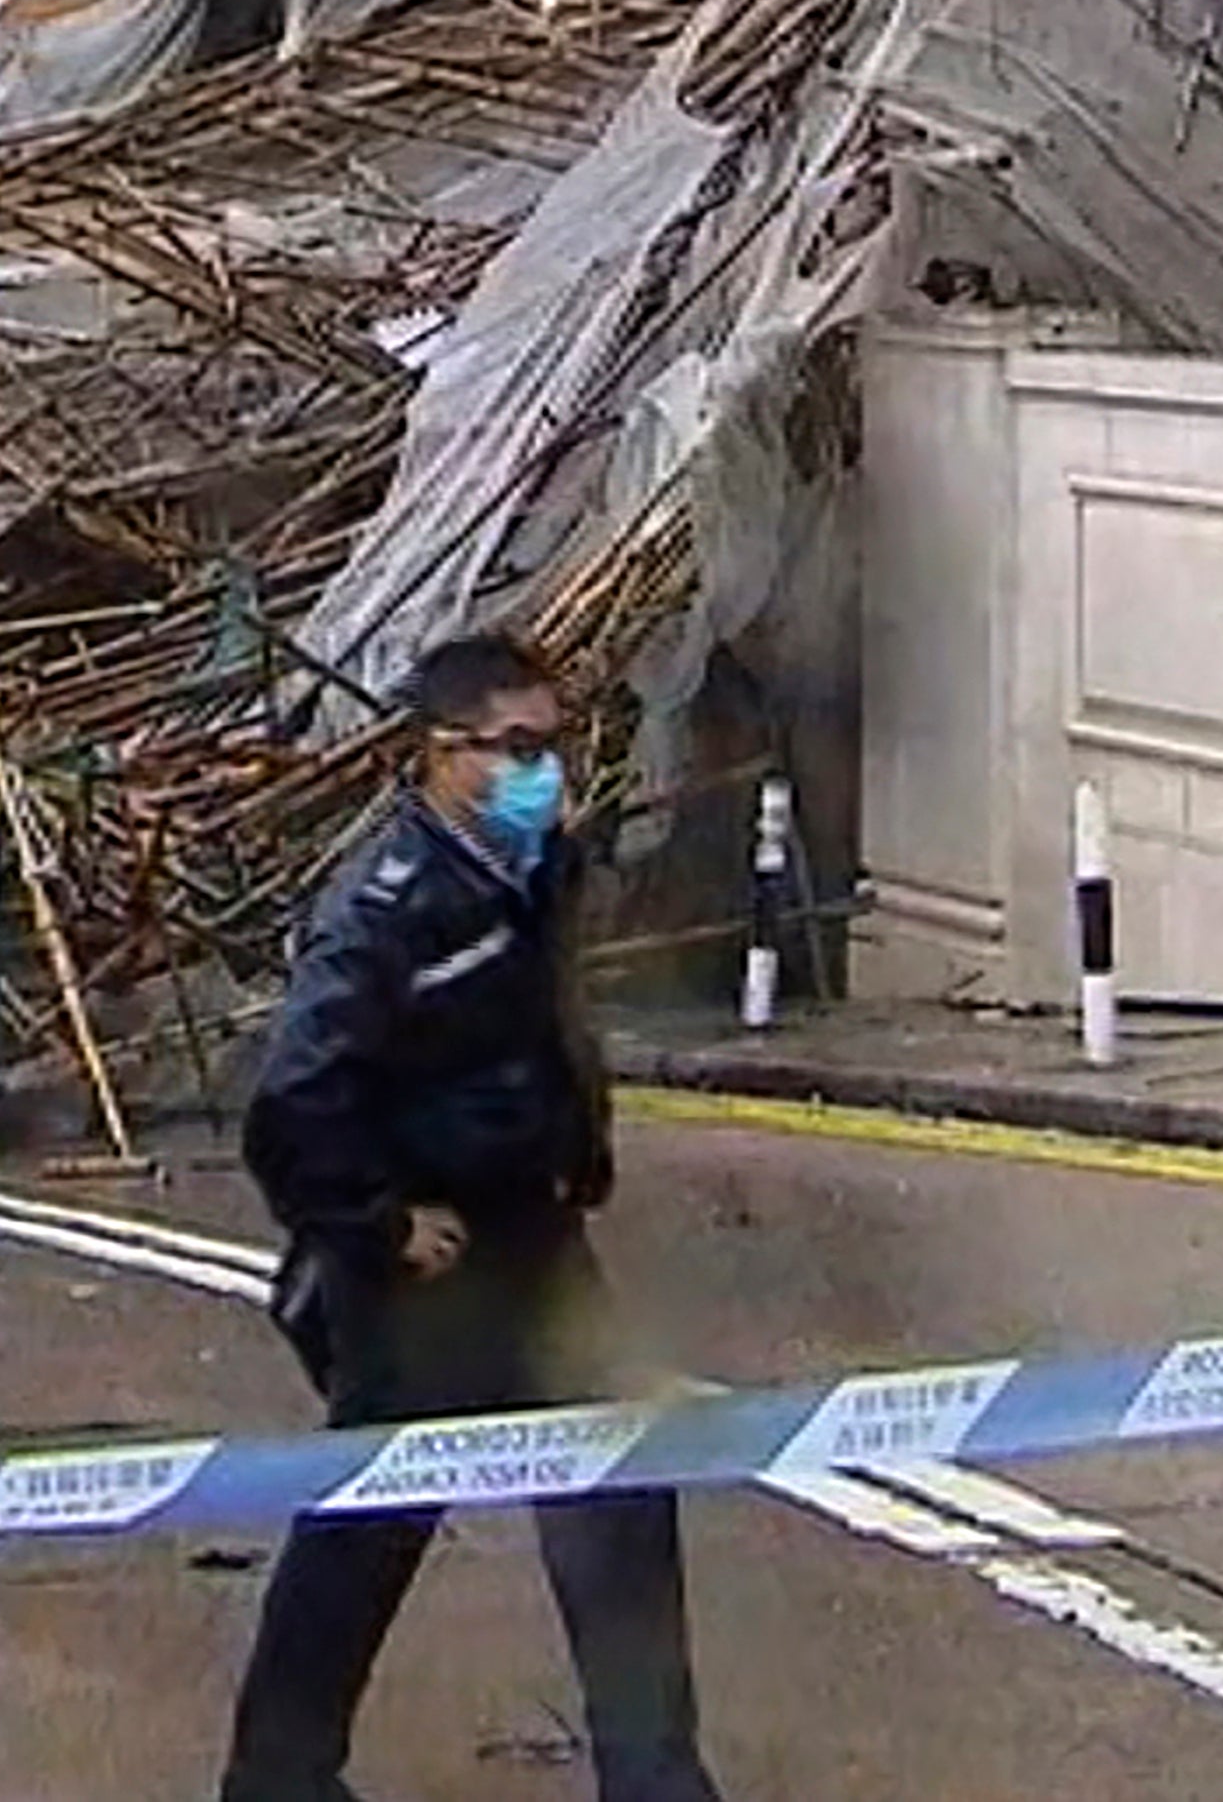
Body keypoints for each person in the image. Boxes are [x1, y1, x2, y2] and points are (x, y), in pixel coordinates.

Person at [215, 632, 725, 1802]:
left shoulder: (539, 866)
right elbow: (293, 1105)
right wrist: (382, 1226)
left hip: (538, 1243)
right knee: (370, 1526)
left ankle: (655, 1776)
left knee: (618, 1489)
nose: (551, 772)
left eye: (561, 744)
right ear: (444, 758)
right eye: (522, 749)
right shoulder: (385, 909)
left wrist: (578, 1145)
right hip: (422, 1276)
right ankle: (276, 1777)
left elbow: (548, 1021)